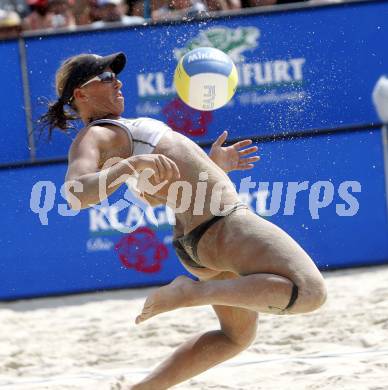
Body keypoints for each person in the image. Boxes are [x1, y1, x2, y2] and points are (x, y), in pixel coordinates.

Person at [39, 52, 327, 390]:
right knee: (310, 293)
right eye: (103, 78)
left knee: (235, 337)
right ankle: (190, 293)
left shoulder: (122, 133)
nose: (116, 81)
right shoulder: (96, 136)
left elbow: (163, 189)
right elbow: (75, 193)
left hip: (198, 241)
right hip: (222, 225)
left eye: (114, 75)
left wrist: (213, 166)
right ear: (80, 95)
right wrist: (131, 167)